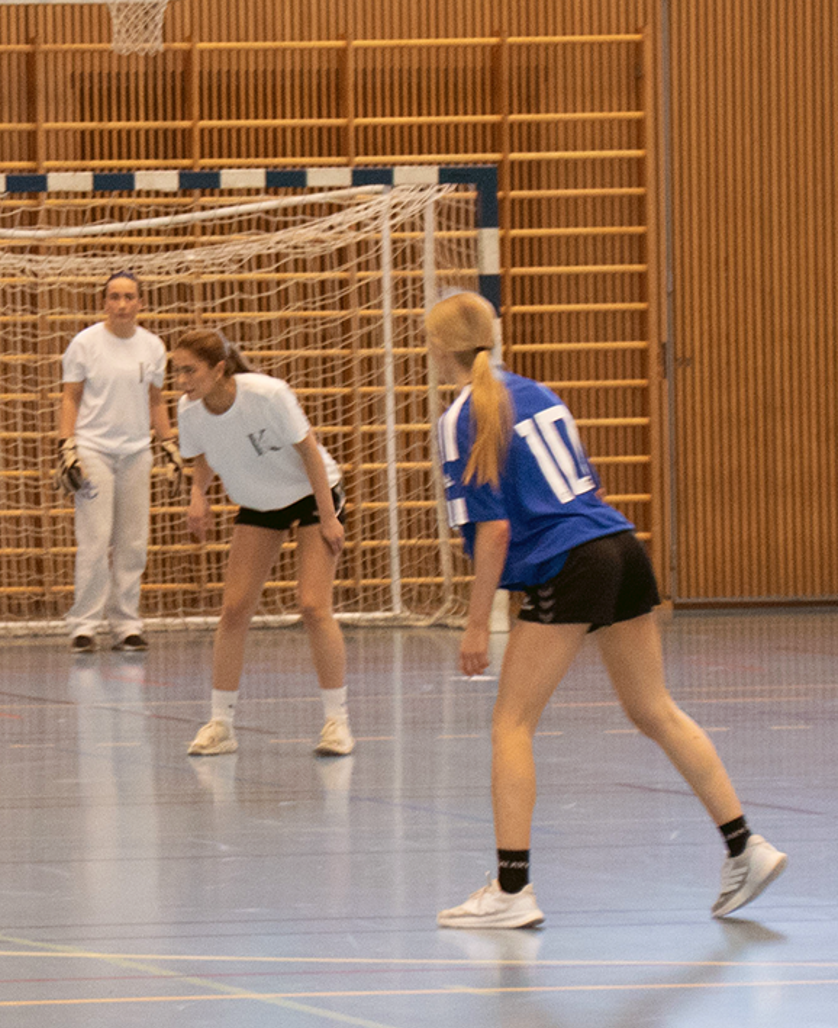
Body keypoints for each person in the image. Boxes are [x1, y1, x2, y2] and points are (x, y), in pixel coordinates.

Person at [425, 291, 784, 928]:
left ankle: (512, 892)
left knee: (511, 725)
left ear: (434, 348)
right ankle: (745, 846)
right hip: (619, 546)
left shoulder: (462, 416)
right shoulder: (538, 392)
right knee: (655, 709)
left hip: (571, 562)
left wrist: (477, 622)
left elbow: (496, 530)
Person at [171, 328, 353, 759]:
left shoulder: (268, 395)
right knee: (234, 609)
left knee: (312, 605)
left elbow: (308, 451)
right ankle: (221, 725)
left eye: (189, 370)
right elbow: (201, 456)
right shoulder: (188, 410)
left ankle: (337, 722)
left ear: (219, 370)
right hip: (258, 503)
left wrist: (329, 517)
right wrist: (198, 495)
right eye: (176, 371)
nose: (181, 380)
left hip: (313, 493)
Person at [57, 272, 175, 653]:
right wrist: (67, 446)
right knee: (94, 538)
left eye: (129, 297)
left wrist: (169, 444)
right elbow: (71, 397)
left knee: (133, 541)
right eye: (114, 297)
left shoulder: (153, 347)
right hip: (94, 451)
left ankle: (127, 624)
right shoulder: (85, 344)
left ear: (140, 302)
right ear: (104, 301)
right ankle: (84, 624)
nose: (122, 304)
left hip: (137, 452)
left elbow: (156, 400)